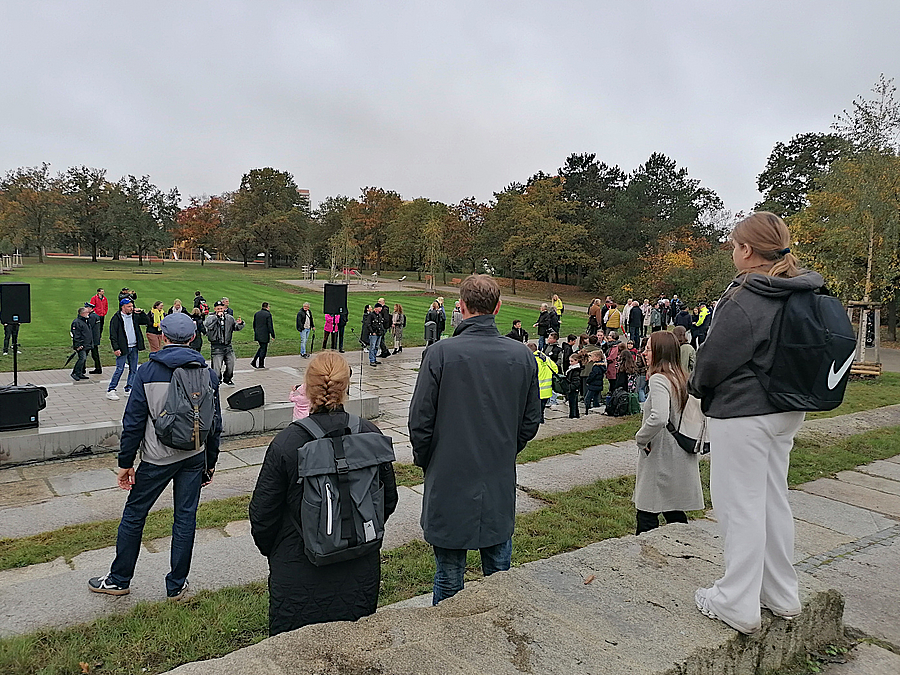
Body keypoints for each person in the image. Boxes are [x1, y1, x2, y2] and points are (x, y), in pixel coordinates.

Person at [691, 212, 820, 635]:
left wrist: (697, 387)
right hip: (786, 408)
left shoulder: (747, 296)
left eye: (733, 245)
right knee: (771, 498)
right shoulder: (800, 289)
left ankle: (736, 601)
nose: (732, 251)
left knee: (739, 504)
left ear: (746, 250)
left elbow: (712, 359)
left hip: (746, 411)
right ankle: (781, 593)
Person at [409, 274, 540, 604]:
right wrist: (505, 448)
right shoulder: (521, 355)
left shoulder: (440, 353)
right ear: (497, 307)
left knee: (451, 577)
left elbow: (419, 423)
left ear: (462, 306)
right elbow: (530, 421)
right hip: (494, 474)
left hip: (452, 475)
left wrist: (431, 460)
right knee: (497, 577)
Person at [250, 352, 398, 635]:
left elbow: (262, 514)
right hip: (358, 561)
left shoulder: (286, 443)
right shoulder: (370, 434)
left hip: (298, 565)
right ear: (346, 387)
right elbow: (386, 501)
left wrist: (279, 551)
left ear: (307, 386)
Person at [88, 313, 222, 600]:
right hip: (194, 456)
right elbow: (215, 424)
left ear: (163, 338)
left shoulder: (147, 372)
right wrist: (210, 465)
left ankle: (119, 579)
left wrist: (125, 463)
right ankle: (176, 584)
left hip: (157, 459)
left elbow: (133, 422)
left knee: (135, 515)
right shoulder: (209, 373)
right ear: (192, 339)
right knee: (185, 519)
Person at [633, 331, 703, 535]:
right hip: (678, 451)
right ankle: (683, 549)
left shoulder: (658, 379)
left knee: (647, 509)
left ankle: (645, 555)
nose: (644, 353)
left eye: (648, 349)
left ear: (658, 351)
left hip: (660, 452)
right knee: (673, 508)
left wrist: (641, 437)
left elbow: (660, 416)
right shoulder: (680, 377)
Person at [107, 297, 150, 401]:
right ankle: (111, 389)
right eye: (129, 306)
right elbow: (113, 335)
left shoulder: (135, 316)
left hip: (134, 346)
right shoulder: (116, 318)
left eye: (132, 306)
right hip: (123, 348)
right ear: (123, 307)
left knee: (133, 369)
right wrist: (116, 348)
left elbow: (147, 321)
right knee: (120, 369)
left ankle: (129, 388)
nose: (131, 308)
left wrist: (141, 313)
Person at [204, 300, 244, 386]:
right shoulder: (210, 317)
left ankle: (228, 378)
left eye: (221, 308)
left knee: (231, 364)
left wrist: (240, 324)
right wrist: (216, 318)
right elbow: (207, 325)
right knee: (217, 368)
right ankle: (216, 381)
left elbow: (235, 327)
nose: (220, 310)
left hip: (228, 346)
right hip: (216, 346)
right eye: (218, 309)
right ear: (215, 309)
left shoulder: (229, 318)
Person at [528, 341, 558, 424]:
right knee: (542, 409)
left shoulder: (532, 361)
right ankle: (541, 420)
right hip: (547, 390)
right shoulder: (545, 357)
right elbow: (555, 369)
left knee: (535, 410)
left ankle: (538, 422)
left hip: (537, 390)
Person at [70, 306, 93, 381]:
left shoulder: (85, 321)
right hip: (81, 345)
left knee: (83, 359)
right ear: (82, 313)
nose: (88, 313)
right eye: (87, 312)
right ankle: (75, 373)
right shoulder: (77, 322)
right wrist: (78, 345)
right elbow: (76, 335)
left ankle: (79, 373)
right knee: (82, 358)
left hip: (86, 344)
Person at [251, 302, 275, 369]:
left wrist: (256, 331)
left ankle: (254, 361)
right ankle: (261, 364)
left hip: (258, 333)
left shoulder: (257, 314)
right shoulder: (268, 314)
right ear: (267, 307)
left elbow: (254, 324)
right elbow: (270, 326)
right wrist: (272, 335)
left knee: (261, 348)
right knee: (263, 349)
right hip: (264, 334)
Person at [583, 349, 607, 414]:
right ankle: (596, 409)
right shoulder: (602, 366)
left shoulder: (596, 367)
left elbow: (592, 375)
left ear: (597, 358)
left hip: (593, 385)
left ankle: (587, 410)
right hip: (599, 384)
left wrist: (588, 380)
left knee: (587, 398)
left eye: (592, 357)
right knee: (596, 398)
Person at [86, 302, 103, 374]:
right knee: (94, 354)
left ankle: (82, 369)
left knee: (87, 354)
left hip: (91, 339)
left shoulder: (91, 317)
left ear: (90, 309)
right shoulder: (96, 316)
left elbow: (89, 328)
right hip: (95, 338)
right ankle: (98, 368)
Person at [564, 352, 582, 419]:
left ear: (577, 361)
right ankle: (574, 414)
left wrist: (570, 387)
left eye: (572, 361)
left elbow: (576, 381)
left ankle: (573, 415)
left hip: (573, 388)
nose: (570, 362)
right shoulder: (572, 368)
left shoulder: (576, 370)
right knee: (572, 402)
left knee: (573, 402)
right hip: (571, 387)